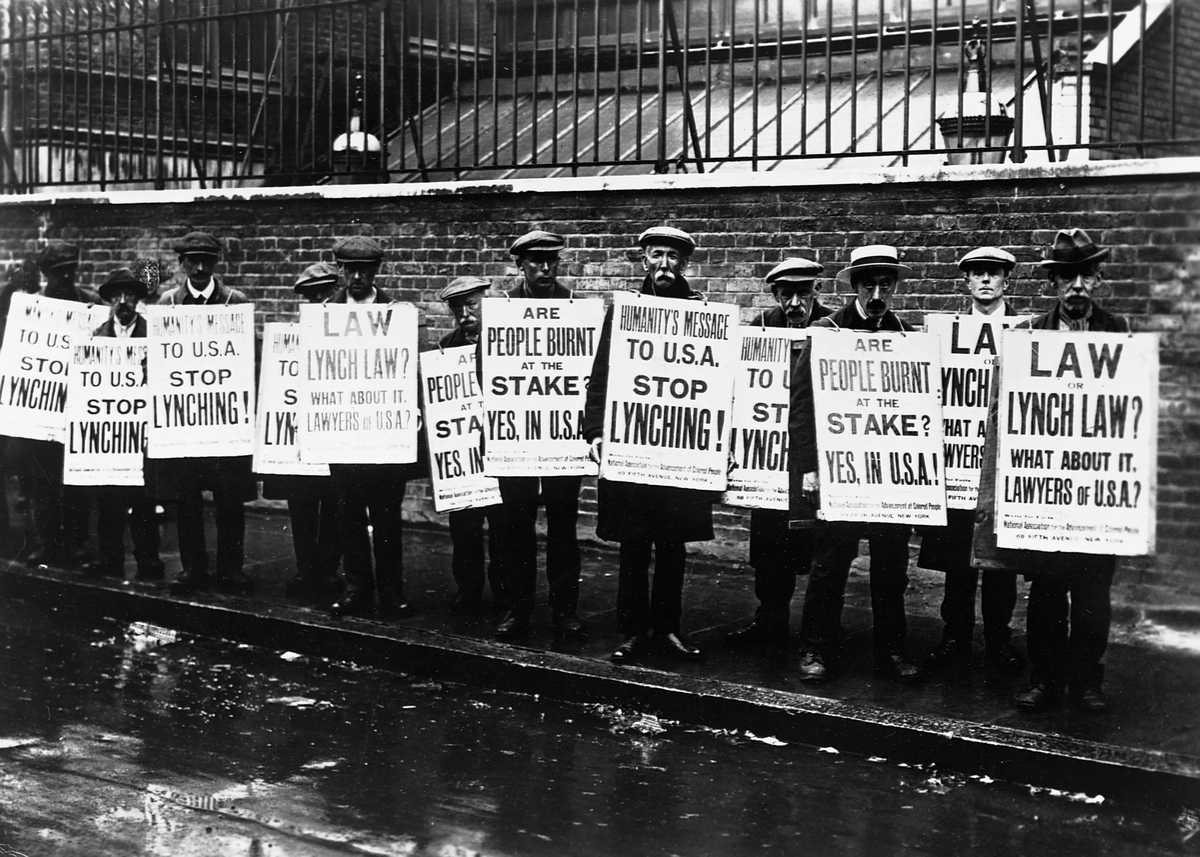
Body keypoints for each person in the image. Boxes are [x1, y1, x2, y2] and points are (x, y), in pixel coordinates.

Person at [974, 228, 1129, 713]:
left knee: (1092, 594)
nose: (1077, 286)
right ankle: (1044, 678)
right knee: (1045, 592)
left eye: (1085, 275)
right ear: (1054, 284)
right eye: (1067, 277)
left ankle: (1086, 681)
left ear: (1098, 279)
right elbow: (1005, 412)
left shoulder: (1118, 332)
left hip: (1095, 488)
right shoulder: (1028, 338)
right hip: (1045, 489)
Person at [789, 244, 924, 684]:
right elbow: (802, 406)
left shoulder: (908, 336)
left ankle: (891, 651)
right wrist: (809, 466)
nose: (877, 292)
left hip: (887, 475)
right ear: (855, 287)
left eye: (886, 284)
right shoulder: (827, 331)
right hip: (840, 470)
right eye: (869, 284)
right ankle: (815, 649)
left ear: (895, 286)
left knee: (891, 570)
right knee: (829, 565)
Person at [583, 225, 715, 664]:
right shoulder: (624, 312)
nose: (664, 265)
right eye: (657, 256)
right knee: (634, 544)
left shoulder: (700, 314)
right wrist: (597, 431)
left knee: (673, 545)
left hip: (679, 450)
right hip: (633, 447)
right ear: (644, 260)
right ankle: (632, 631)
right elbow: (601, 375)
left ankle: (669, 627)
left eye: (673, 258)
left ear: (685, 264)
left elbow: (714, 382)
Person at [920, 247, 1023, 673]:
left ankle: (999, 639)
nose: (985, 281)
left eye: (993, 274)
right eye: (977, 274)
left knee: (1000, 566)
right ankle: (955, 635)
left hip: (1000, 465)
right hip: (959, 463)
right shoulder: (945, 333)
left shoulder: (1024, 330)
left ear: (1006, 281)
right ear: (965, 281)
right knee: (959, 563)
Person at [726, 257, 832, 650]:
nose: (795, 303)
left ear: (816, 292)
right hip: (769, 455)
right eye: (786, 294)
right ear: (774, 294)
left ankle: (818, 629)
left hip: (812, 458)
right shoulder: (761, 327)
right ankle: (769, 620)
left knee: (817, 547)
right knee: (770, 546)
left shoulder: (831, 326)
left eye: (803, 293)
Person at [492, 230, 586, 641]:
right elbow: (488, 370)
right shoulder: (503, 310)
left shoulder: (575, 308)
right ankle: (518, 609)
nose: (545, 268)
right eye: (535, 261)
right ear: (520, 265)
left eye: (551, 260)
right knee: (517, 528)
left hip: (562, 439)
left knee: (563, 528)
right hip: (517, 437)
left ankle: (565, 611)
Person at [326, 236, 426, 621]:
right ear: (339, 270)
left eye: (364, 269)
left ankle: (391, 590)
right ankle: (357, 588)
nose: (356, 276)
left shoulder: (395, 313)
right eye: (349, 269)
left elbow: (406, 363)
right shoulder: (326, 314)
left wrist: (412, 408)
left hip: (385, 432)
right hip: (345, 433)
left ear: (375, 271)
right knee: (349, 514)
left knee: (386, 515)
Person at [155, 231, 257, 596]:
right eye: (192, 260)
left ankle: (232, 569)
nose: (200, 267)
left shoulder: (234, 301)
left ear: (216, 263)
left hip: (225, 421)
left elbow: (249, 359)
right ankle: (192, 568)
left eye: (207, 260)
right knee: (187, 500)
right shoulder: (166, 305)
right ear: (181, 263)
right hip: (185, 422)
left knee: (229, 499)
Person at [9, 241, 99, 567]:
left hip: (79, 410)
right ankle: (46, 543)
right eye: (59, 272)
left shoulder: (90, 304)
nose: (66, 278)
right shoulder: (31, 307)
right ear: (46, 274)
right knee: (41, 483)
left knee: (76, 485)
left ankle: (76, 543)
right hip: (41, 412)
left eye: (71, 271)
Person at [262, 262, 344, 603]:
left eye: (326, 293)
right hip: (303, 439)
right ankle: (306, 568)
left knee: (337, 506)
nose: (320, 301)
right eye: (313, 297)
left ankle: (328, 569)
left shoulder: (352, 334)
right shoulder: (293, 337)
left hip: (337, 437)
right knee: (302, 506)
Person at [80, 268, 165, 582]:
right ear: (110, 300)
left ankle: (149, 560)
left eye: (130, 295)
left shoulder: (154, 335)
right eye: (117, 295)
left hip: (141, 430)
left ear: (138, 300)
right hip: (109, 430)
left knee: (143, 499)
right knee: (108, 500)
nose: (124, 301)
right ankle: (109, 558)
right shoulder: (96, 336)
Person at [437, 275, 505, 612]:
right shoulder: (445, 347)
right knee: (463, 525)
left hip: (496, 445)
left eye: (472, 303)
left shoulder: (505, 340)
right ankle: (468, 589)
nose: (465, 313)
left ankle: (504, 591)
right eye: (457, 307)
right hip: (462, 450)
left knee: (501, 525)